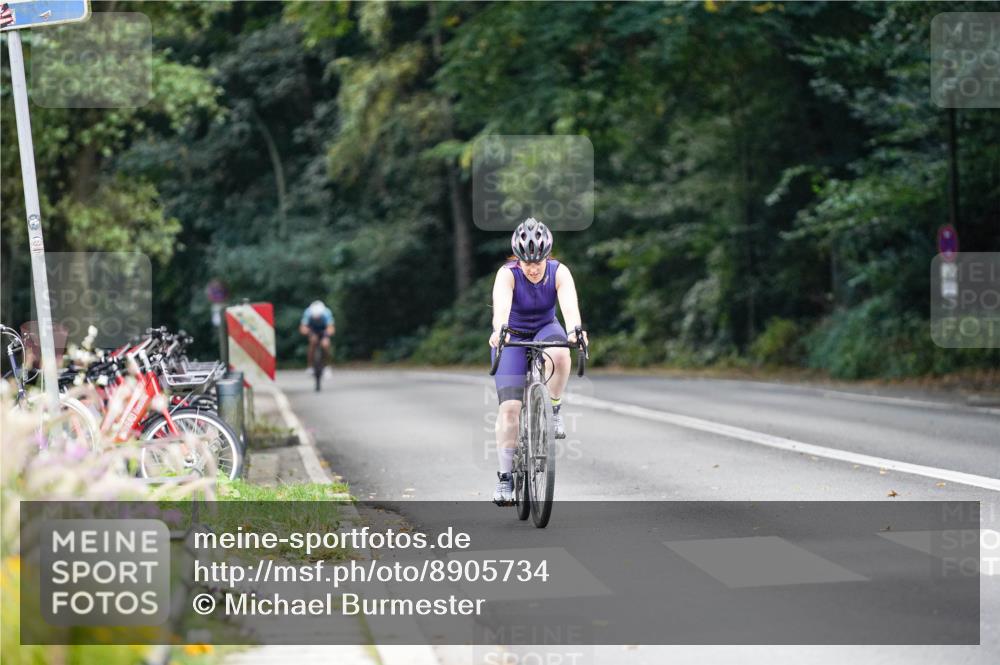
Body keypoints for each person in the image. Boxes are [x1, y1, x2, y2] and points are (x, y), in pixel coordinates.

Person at [489, 217, 587, 505]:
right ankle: (505, 478)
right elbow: (501, 310)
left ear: (547, 257)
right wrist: (500, 331)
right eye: (526, 263)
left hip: (546, 328)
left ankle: (553, 409)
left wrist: (575, 331)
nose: (532, 269)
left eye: (538, 262)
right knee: (509, 409)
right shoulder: (507, 274)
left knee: (560, 352)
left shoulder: (559, 272)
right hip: (513, 335)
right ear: (517, 259)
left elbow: (570, 307)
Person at [300, 300, 335, 372]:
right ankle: (310, 366)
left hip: (323, 330)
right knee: (312, 343)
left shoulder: (327, 313)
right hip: (313, 330)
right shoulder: (308, 313)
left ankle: (327, 365)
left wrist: (326, 336)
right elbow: (303, 328)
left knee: (325, 345)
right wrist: (310, 333)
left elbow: (331, 328)